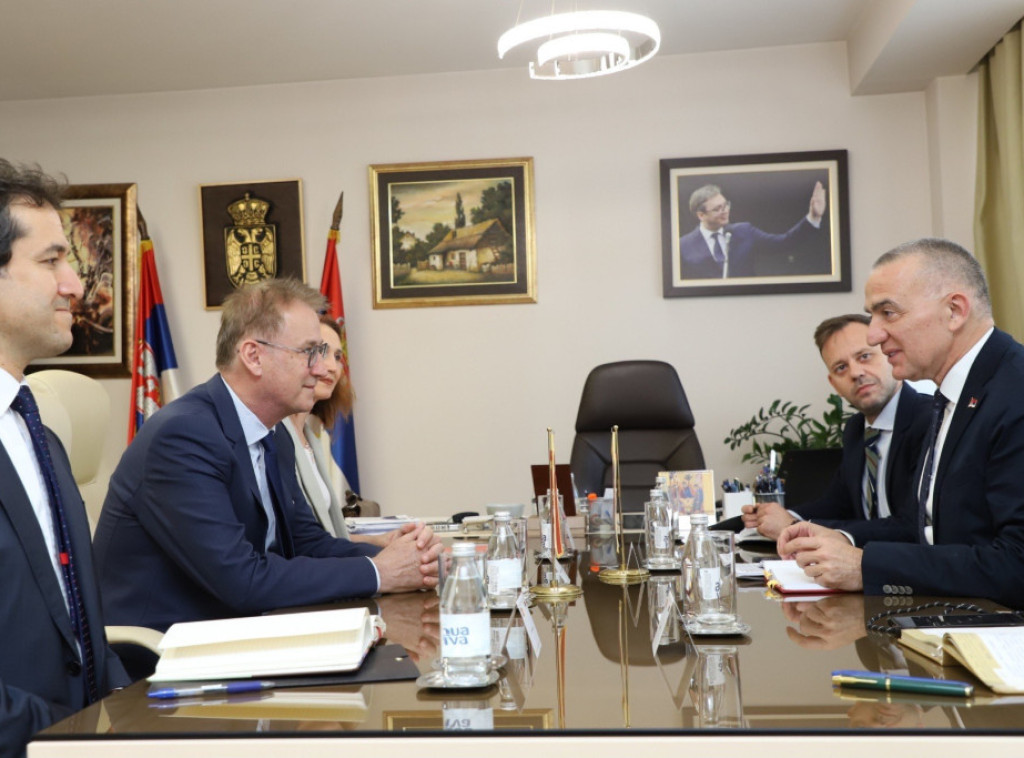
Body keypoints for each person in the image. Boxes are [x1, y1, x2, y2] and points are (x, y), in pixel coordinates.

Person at [94, 278, 441, 633]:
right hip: (165, 650)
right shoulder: (183, 437)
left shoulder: (275, 434)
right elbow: (241, 580)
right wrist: (380, 572)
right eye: (309, 352)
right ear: (253, 356)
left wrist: (410, 560)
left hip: (241, 630)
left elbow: (306, 544)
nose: (322, 369)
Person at [778, 238, 1024, 608]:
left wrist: (864, 566)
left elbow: (1017, 564)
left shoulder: (1015, 392)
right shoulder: (952, 398)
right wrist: (839, 539)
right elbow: (923, 529)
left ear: (954, 311)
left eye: (888, 313)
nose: (874, 334)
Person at [0, 159, 128, 754]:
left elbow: (81, 626)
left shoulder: (40, 432)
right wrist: (72, 737)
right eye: (51, 261)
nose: (75, 285)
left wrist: (128, 711)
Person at [742, 314, 931, 540]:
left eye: (864, 356)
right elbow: (836, 504)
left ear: (891, 356)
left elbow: (913, 526)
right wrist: (779, 516)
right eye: (841, 367)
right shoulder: (856, 429)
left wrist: (794, 526)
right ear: (834, 385)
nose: (855, 373)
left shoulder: (929, 421)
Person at [284, 314, 389, 544]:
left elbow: (326, 536)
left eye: (338, 357)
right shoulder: (275, 436)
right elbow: (299, 543)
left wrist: (384, 541)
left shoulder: (310, 436)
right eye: (321, 352)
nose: (332, 367)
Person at [678, 181, 827, 279]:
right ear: (701, 215)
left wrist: (813, 217)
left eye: (726, 205)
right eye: (717, 209)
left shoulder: (744, 231)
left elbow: (784, 243)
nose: (725, 211)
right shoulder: (682, 246)